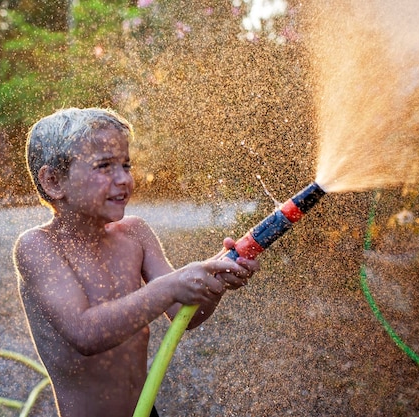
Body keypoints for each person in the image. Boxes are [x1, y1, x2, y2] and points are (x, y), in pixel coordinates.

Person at [13, 107, 259, 417]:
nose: (124, 179)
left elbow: (187, 317)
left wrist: (214, 280)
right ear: (53, 182)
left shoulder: (135, 234)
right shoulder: (39, 246)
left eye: (126, 164)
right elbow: (85, 334)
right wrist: (174, 285)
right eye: (104, 166)